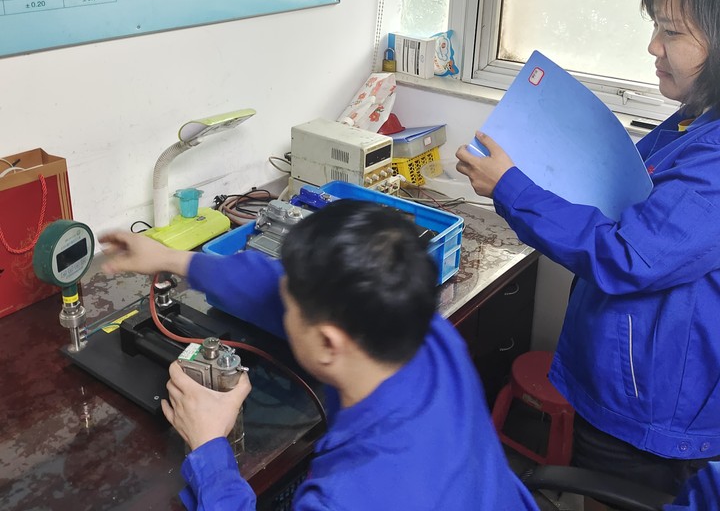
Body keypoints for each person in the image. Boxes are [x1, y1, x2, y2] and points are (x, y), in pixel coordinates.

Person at [456, 0, 720, 497]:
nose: (653, 46)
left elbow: (627, 254)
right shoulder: (694, 120)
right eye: (656, 26)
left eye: (672, 32)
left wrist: (512, 188)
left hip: (649, 408)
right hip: (627, 376)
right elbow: (628, 199)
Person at [101, 199, 538, 511]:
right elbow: (268, 285)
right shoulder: (425, 329)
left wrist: (210, 448)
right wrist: (175, 259)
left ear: (329, 343)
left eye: (290, 306)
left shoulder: (347, 498)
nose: (279, 302)